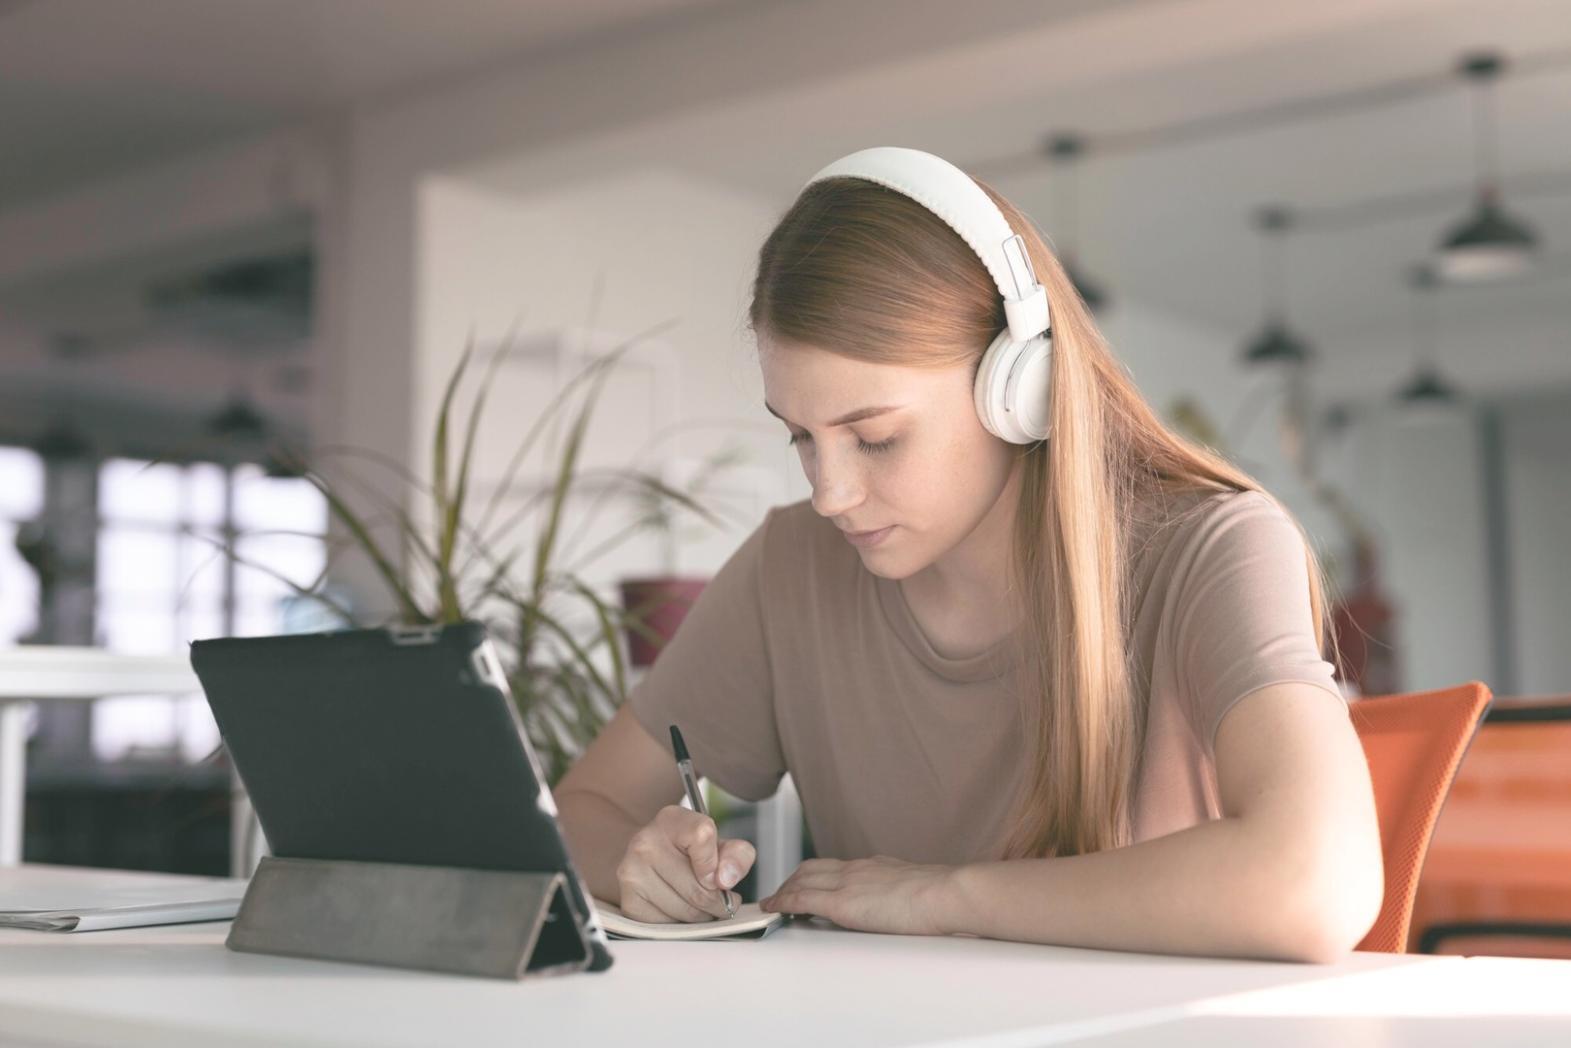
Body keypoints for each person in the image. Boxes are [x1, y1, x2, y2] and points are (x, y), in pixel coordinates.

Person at [554, 146, 1383, 964]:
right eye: (800, 436)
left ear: (1019, 388)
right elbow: (581, 808)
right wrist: (639, 863)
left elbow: (1317, 881)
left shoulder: (1211, 546)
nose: (830, 492)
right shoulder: (791, 566)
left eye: (874, 438)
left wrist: (945, 895)